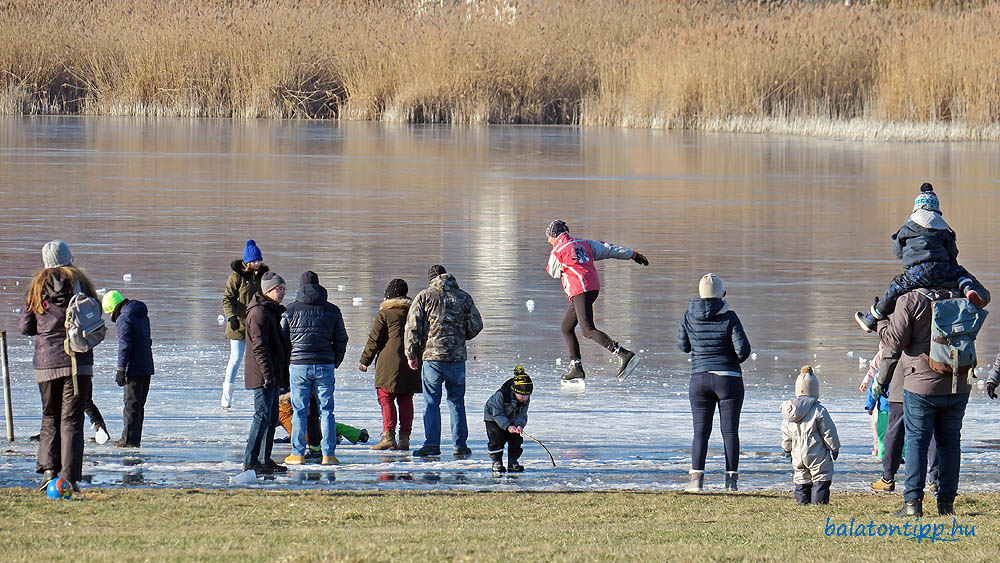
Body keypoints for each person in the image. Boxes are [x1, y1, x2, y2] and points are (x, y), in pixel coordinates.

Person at [873, 282, 991, 517]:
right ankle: (946, 504)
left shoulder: (910, 300)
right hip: (958, 381)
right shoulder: (961, 292)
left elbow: (894, 343)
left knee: (917, 441)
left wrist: (879, 322)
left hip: (921, 385)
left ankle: (912, 504)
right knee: (950, 443)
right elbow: (984, 297)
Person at [18, 241, 100, 490]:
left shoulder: (36, 287)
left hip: (46, 363)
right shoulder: (81, 284)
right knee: (72, 420)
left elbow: (25, 326)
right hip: (77, 362)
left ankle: (48, 472)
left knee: (49, 416)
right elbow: (94, 320)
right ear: (69, 258)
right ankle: (69, 477)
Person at [855, 183, 986, 332]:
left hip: (917, 272)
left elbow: (898, 252)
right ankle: (969, 289)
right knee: (961, 274)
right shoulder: (945, 229)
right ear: (937, 209)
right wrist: (951, 271)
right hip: (943, 269)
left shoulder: (906, 228)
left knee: (896, 287)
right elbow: (953, 254)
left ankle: (872, 317)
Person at [544, 220, 648, 381]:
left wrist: (565, 268)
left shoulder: (557, 249)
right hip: (592, 288)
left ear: (554, 235)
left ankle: (624, 354)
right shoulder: (584, 243)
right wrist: (632, 254)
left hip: (580, 290)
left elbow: (553, 271)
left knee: (587, 330)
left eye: (549, 237)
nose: (548, 241)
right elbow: (608, 249)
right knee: (566, 327)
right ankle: (576, 366)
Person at [677, 273, 751, 492]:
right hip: (728, 380)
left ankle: (696, 481)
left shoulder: (688, 316)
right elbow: (743, 350)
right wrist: (729, 361)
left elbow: (683, 346)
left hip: (699, 378)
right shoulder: (730, 317)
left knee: (700, 431)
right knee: (729, 432)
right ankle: (731, 482)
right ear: (723, 294)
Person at [405, 265, 483, 457]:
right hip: (456, 358)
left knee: (431, 403)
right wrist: (461, 336)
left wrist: (411, 354)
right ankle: (460, 445)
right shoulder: (464, 297)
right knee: (456, 402)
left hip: (432, 358)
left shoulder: (424, 296)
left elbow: (412, 327)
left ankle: (432, 444)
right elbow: (476, 325)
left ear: (431, 279)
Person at [280, 270, 347, 466]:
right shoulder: (333, 310)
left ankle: (297, 453)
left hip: (299, 366)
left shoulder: (290, 311)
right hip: (325, 365)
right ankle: (328, 454)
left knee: (299, 411)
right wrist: (334, 361)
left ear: (300, 288)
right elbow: (342, 339)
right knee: (327, 411)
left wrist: (288, 363)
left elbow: (283, 342)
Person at [360, 279, 421, 451]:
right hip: (412, 360)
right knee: (406, 399)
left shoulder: (385, 314)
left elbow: (375, 340)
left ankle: (388, 436)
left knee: (386, 397)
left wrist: (365, 361)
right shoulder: (413, 312)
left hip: (388, 363)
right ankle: (405, 439)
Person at [243, 272, 290, 475]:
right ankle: (250, 461)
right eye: (279, 289)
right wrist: (267, 374)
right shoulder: (258, 314)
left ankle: (263, 458)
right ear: (269, 289)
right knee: (261, 417)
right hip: (262, 376)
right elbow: (259, 348)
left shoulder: (270, 312)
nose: (282, 292)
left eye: (284, 289)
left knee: (270, 418)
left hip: (271, 374)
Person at [101, 290, 154, 448]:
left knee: (130, 405)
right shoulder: (141, 314)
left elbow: (124, 345)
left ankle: (129, 440)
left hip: (133, 367)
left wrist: (120, 369)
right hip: (146, 365)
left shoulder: (124, 318)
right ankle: (132, 437)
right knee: (138, 405)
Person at [781, 366, 841, 505]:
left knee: (801, 478)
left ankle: (802, 503)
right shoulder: (818, 410)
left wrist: (787, 449)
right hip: (816, 452)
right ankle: (818, 504)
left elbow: (786, 434)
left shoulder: (788, 414)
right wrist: (834, 447)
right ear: (815, 390)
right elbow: (828, 431)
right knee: (821, 475)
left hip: (797, 454)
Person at [220, 239, 269, 408]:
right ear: (247, 262)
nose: (257, 263)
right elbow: (227, 299)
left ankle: (259, 393)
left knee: (258, 358)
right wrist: (231, 317)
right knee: (236, 358)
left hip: (257, 324)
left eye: (259, 260)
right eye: (254, 261)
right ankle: (227, 392)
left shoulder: (263, 276)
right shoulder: (237, 277)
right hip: (239, 324)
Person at [276, 393, 369, 453]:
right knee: (331, 425)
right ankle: (359, 435)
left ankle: (333, 437)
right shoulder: (290, 409)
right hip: (309, 437)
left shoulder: (280, 411)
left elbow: (290, 424)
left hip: (300, 438)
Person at [484, 366, 532, 474]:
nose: (524, 398)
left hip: (512, 418)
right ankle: (497, 462)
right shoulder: (501, 395)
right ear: (515, 391)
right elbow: (497, 413)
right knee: (496, 440)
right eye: (522, 395)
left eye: (527, 395)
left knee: (515, 439)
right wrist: (508, 426)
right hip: (493, 418)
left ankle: (513, 462)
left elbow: (523, 414)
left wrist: (519, 425)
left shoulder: (525, 400)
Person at [859, 344, 888, 458]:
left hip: (889, 401)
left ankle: (899, 452)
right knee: (877, 425)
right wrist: (866, 381)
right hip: (881, 401)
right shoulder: (881, 354)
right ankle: (878, 448)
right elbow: (873, 371)